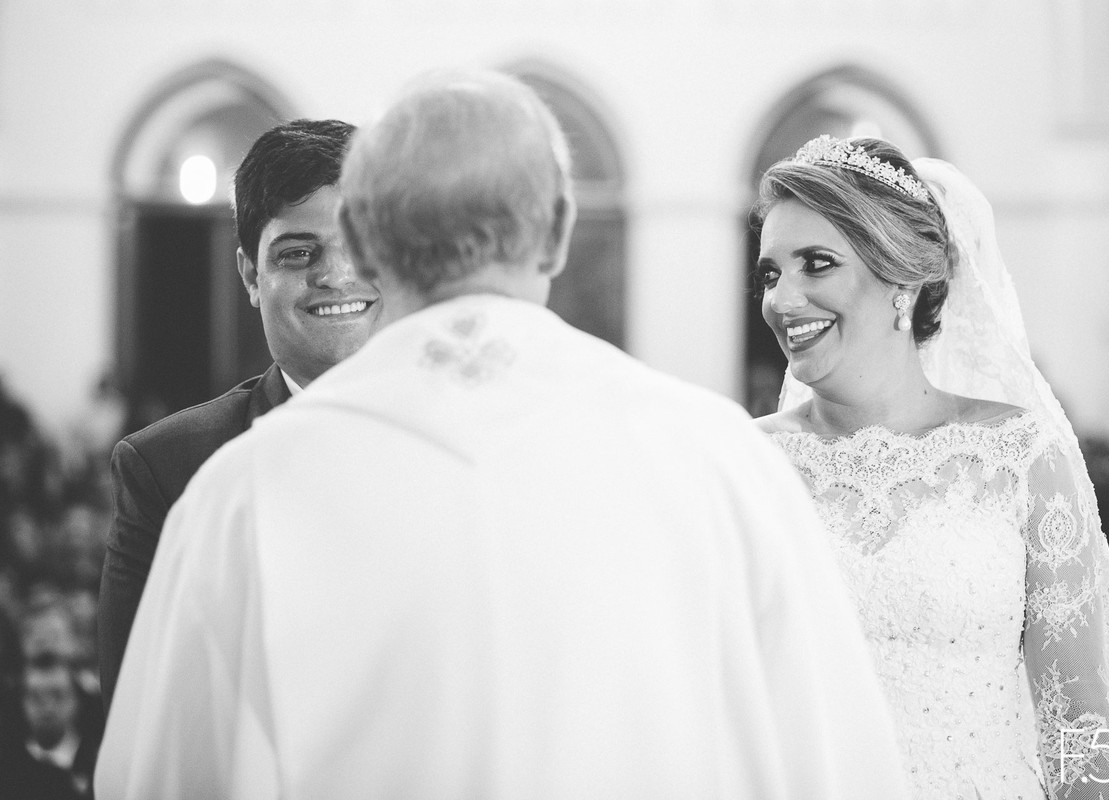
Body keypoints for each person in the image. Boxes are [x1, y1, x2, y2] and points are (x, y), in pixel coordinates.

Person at [95, 71, 908, 799]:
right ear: (556, 228)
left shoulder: (244, 491)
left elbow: (156, 777)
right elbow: (836, 764)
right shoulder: (716, 455)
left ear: (370, 241)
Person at [753, 135, 1109, 798]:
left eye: (816, 264)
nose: (782, 298)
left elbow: (1080, 721)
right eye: (771, 273)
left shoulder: (1021, 456)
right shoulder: (748, 466)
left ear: (906, 277)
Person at [96, 118, 381, 710]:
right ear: (252, 275)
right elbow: (136, 711)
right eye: (299, 253)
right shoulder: (169, 468)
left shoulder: (467, 441)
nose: (336, 275)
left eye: (361, 247)